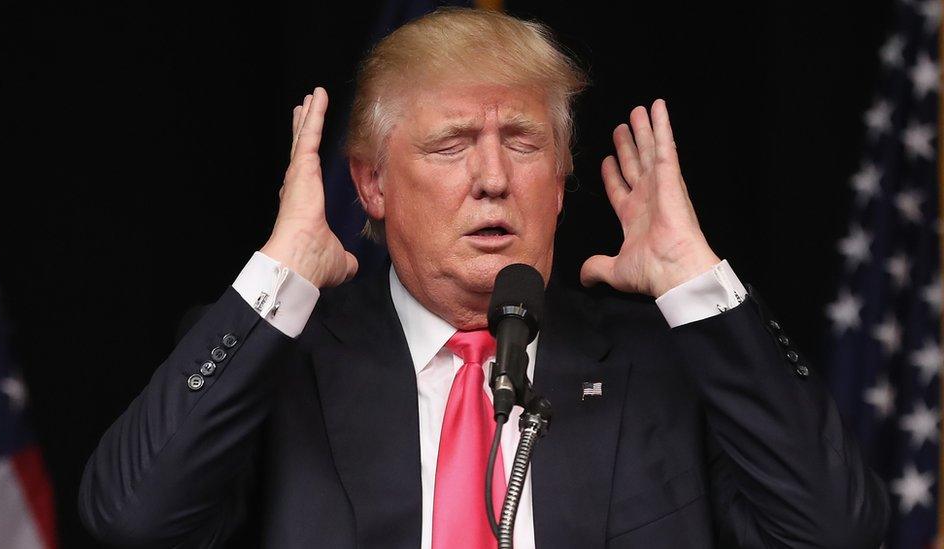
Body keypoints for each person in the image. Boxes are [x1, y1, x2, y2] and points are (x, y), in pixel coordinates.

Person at [79, 7, 889, 548]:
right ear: (371, 185)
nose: (494, 177)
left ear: (564, 178)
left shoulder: (665, 363)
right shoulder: (286, 361)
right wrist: (280, 273)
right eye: (451, 144)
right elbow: (130, 519)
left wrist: (698, 283)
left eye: (525, 142)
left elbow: (837, 530)